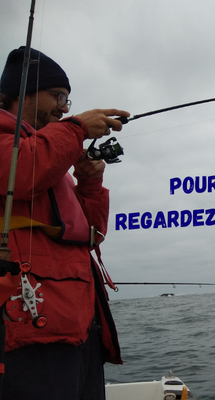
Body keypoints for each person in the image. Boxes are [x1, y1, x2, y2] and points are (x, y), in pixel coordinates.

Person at [0, 46, 129, 399]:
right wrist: (75, 129)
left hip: (77, 323)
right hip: (28, 325)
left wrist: (89, 182)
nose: (62, 107)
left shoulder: (49, 155)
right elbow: (22, 173)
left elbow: (92, 233)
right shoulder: (14, 145)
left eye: (67, 101)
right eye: (57, 96)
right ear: (21, 92)